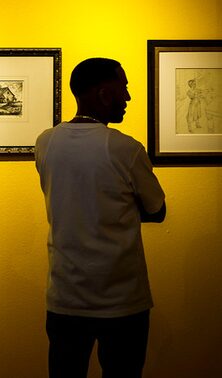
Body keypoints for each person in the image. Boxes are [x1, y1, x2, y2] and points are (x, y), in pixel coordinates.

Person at [35, 58, 167, 378]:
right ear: (105, 93)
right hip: (122, 299)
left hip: (65, 295)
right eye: (123, 88)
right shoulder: (125, 148)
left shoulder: (46, 142)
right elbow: (157, 210)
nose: (128, 97)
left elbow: (68, 198)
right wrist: (119, 207)